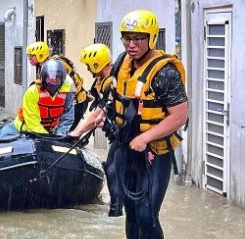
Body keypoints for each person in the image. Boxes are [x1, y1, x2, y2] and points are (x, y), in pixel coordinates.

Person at [72, 10, 188, 239]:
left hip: (155, 152)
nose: (131, 44)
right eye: (127, 38)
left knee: (147, 213)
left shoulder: (165, 73)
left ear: (151, 38)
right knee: (132, 213)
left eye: (138, 39)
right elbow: (107, 103)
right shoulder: (121, 63)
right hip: (126, 150)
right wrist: (80, 130)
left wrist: (145, 138)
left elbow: (179, 116)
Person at [69, 43, 121, 217]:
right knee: (112, 167)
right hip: (118, 132)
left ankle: (117, 211)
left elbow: (99, 112)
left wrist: (77, 132)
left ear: (96, 63)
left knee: (114, 169)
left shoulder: (111, 82)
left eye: (89, 65)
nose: (87, 69)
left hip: (128, 132)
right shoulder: (101, 80)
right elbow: (95, 109)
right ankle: (117, 208)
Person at [0, 59, 74, 139]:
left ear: (62, 80)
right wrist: (47, 137)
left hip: (49, 132)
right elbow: (32, 122)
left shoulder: (66, 94)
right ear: (43, 77)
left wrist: (58, 136)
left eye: (57, 80)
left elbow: (67, 118)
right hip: (23, 129)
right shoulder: (32, 92)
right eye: (50, 79)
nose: (53, 82)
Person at [51, 54, 93, 130]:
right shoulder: (54, 63)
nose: (30, 59)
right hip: (76, 100)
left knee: (64, 133)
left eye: (32, 56)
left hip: (77, 102)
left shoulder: (56, 65)